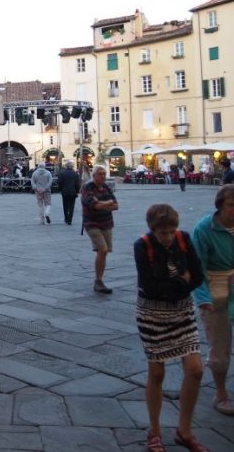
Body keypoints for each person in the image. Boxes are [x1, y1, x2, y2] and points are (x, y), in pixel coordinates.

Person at [134, 204, 206, 452]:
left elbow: (197, 276)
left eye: (171, 231)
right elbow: (150, 286)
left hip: (182, 311)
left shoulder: (183, 239)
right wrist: (180, 280)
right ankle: (154, 431)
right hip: (152, 315)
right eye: (162, 232)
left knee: (196, 370)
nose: (167, 237)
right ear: (152, 229)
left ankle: (184, 431)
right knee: (157, 373)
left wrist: (173, 283)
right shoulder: (142, 245)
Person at [191, 184, 234, 417]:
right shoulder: (204, 229)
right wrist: (203, 298)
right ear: (220, 206)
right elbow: (198, 268)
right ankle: (220, 393)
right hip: (216, 287)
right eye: (231, 205)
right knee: (219, 346)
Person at [81, 165, 118, 294]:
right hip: (92, 223)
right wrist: (107, 203)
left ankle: (99, 280)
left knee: (103, 252)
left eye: (104, 174)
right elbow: (93, 205)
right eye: (100, 174)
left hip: (106, 223)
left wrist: (103, 204)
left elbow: (116, 205)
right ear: (94, 175)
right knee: (103, 249)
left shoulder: (106, 187)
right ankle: (98, 281)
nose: (103, 176)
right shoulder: (87, 187)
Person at [56, 160, 81, 225]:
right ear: (72, 166)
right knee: (71, 206)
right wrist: (77, 190)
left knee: (65, 206)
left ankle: (66, 218)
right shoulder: (75, 173)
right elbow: (77, 184)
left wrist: (60, 189)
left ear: (66, 166)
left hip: (64, 192)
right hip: (73, 192)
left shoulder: (62, 173)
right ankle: (70, 220)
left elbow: (59, 182)